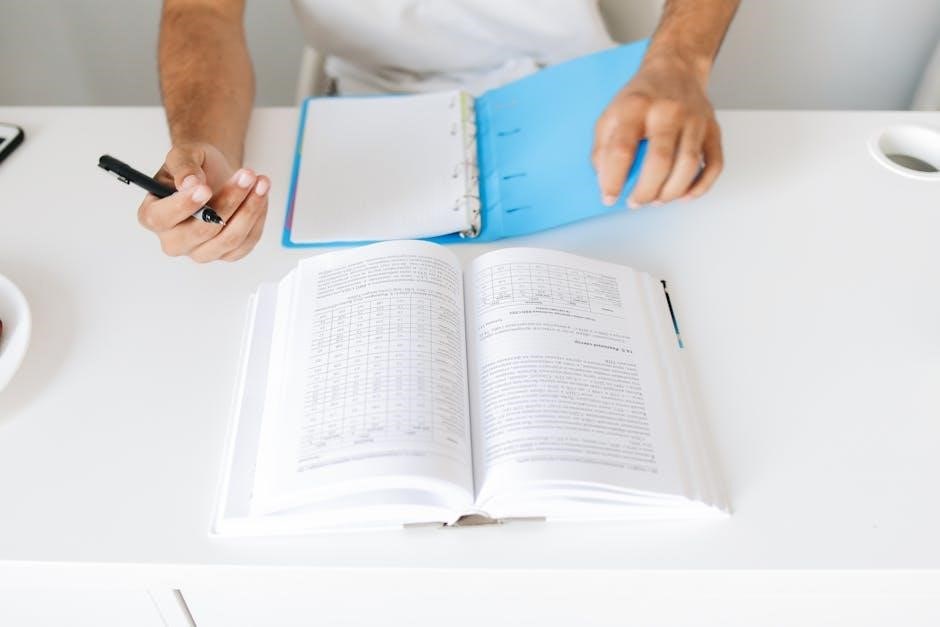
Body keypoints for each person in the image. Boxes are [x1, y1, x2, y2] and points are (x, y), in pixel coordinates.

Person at [139, 0, 740, 262]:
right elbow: (203, 10)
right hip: (365, 108)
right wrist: (206, 147)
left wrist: (680, 62)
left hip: (576, 88)